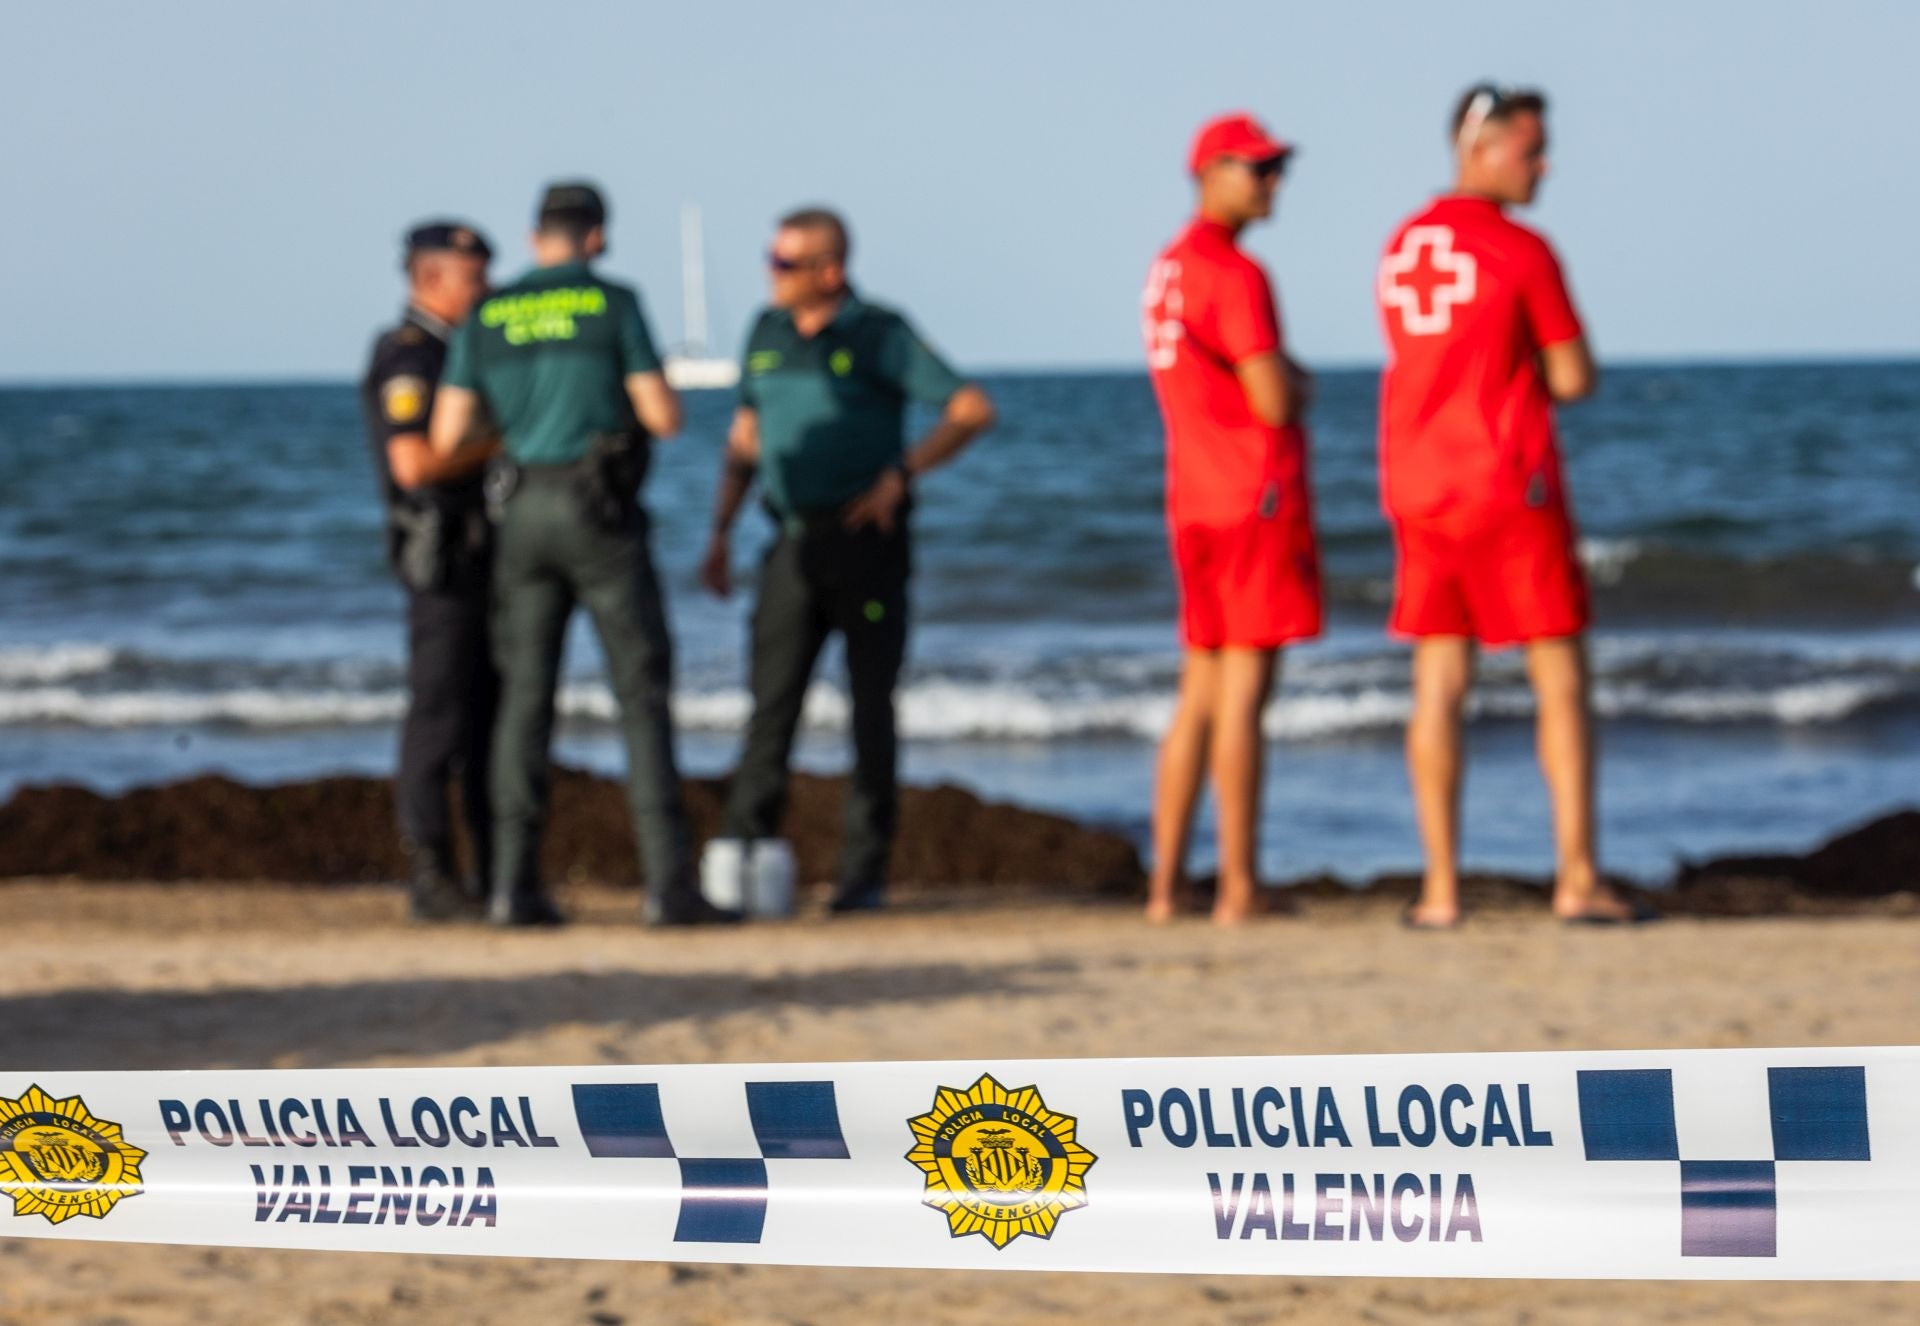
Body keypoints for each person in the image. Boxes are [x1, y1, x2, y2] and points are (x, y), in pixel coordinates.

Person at [1375, 85, 1646, 927]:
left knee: (1439, 682)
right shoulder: (1520, 249)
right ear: (1480, 145)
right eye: (1531, 149)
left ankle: (1440, 890)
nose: (1544, 164)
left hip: (1417, 482)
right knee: (1559, 680)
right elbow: (1570, 374)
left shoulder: (1400, 245)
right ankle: (1575, 875)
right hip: (1506, 480)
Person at [429, 182, 726, 928]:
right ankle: (668, 887)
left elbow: (446, 436)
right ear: (595, 238)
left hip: (519, 510)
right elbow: (663, 415)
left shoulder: (489, 313)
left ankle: (511, 887)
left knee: (523, 705)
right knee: (641, 692)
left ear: (535, 239)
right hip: (600, 512)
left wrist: (522, 433)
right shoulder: (612, 304)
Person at [700, 208, 995, 912]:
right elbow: (745, 437)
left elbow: (970, 409)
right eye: (770, 260)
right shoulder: (764, 333)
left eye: (786, 264)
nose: (772, 274)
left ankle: (863, 876)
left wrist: (902, 474)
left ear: (829, 272)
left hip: (868, 547)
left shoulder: (879, 332)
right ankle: (743, 862)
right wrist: (719, 531)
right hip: (791, 542)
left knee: (871, 711)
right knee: (770, 707)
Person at [1140, 113, 1324, 926]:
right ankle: (1239, 885)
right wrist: (1299, 380)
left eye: (1277, 166)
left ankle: (1165, 887)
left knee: (1200, 694)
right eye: (1259, 167)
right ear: (1212, 170)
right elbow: (1273, 396)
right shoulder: (1232, 272)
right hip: (1251, 494)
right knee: (1244, 694)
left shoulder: (1167, 269)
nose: (1274, 182)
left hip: (1194, 495)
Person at [359, 221, 498, 921]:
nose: (488, 291)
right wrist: (503, 443)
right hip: (440, 559)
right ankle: (432, 872)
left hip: (476, 557)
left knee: (483, 718)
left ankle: (488, 871)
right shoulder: (412, 356)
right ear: (432, 279)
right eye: (475, 279)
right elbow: (413, 464)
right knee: (439, 716)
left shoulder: (459, 351)